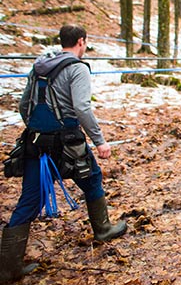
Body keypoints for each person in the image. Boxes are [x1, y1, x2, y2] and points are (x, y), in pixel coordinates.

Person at [0, 24, 126, 283]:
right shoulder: (77, 68)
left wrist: (37, 128)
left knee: (30, 199)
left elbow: (24, 105)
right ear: (81, 42)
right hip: (69, 141)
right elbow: (82, 107)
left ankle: (7, 269)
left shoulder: (39, 66)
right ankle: (103, 229)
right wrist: (99, 141)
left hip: (35, 141)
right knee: (91, 179)